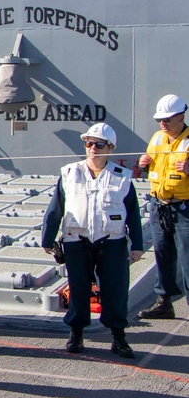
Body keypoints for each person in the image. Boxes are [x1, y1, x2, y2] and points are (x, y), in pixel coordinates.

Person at [42, 123, 143, 357]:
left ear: (110, 148)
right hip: (76, 240)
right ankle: (76, 334)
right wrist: (47, 237)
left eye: (99, 144)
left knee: (115, 290)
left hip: (112, 241)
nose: (93, 148)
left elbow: (133, 213)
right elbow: (55, 208)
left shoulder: (122, 178)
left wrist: (137, 245)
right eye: (89, 143)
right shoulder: (69, 173)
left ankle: (118, 336)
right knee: (78, 289)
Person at [137, 94, 189, 319]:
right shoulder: (158, 138)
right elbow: (156, 169)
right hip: (159, 205)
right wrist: (144, 164)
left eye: (167, 119)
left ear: (181, 117)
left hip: (184, 207)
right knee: (162, 255)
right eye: (160, 119)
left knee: (187, 259)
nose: (162, 123)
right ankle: (164, 302)